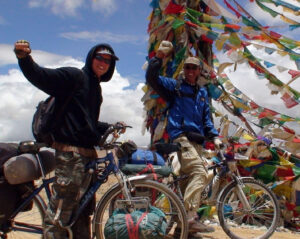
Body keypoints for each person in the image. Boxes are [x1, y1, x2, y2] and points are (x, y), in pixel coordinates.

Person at [14, 40, 119, 239]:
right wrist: (24, 58)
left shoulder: (95, 88)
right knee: (61, 212)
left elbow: (86, 122)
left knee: (81, 212)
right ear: (91, 58)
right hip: (71, 156)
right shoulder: (75, 76)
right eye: (100, 57)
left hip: (86, 158)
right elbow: (41, 76)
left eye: (108, 60)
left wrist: (108, 127)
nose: (103, 62)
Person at [146, 40, 223, 238]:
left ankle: (182, 231)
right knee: (200, 172)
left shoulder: (203, 93)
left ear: (198, 71)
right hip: (181, 139)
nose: (190, 70)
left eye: (193, 68)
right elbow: (152, 78)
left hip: (197, 143)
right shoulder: (175, 87)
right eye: (187, 67)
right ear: (184, 69)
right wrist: (160, 57)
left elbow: (207, 120)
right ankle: (189, 217)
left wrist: (214, 136)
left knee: (187, 183)